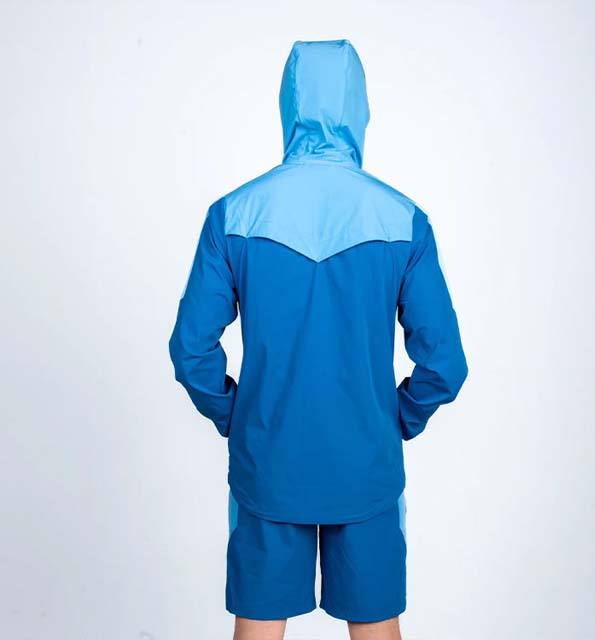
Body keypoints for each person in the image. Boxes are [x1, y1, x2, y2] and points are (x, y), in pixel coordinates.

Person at [169, 39, 467, 640]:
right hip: (365, 462)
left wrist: (238, 416)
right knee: (377, 626)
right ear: (360, 108)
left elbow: (191, 348)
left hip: (269, 460)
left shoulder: (234, 214)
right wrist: (393, 419)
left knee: (258, 626)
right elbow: (444, 364)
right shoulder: (403, 219)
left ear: (287, 105)